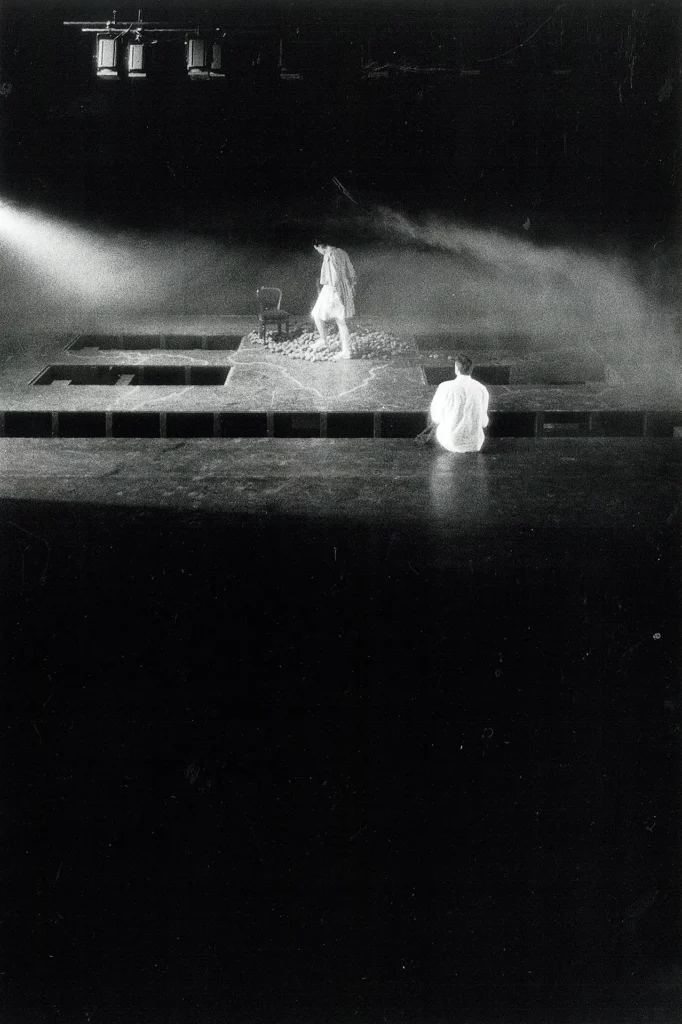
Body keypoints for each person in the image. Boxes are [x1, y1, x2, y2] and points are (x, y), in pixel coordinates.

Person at [416, 353, 490, 453]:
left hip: (450, 442)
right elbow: (484, 423)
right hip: (475, 443)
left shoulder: (444, 387)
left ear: (456, 368)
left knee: (435, 412)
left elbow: (436, 418)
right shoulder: (482, 389)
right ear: (471, 370)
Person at [311, 241, 357, 359]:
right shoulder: (342, 252)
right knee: (317, 313)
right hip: (343, 286)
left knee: (339, 320)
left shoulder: (329, 255)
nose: (318, 252)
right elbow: (351, 271)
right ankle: (323, 340)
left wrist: (335, 293)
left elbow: (335, 277)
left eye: (317, 249)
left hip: (333, 289)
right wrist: (349, 287)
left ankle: (346, 351)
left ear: (320, 246)